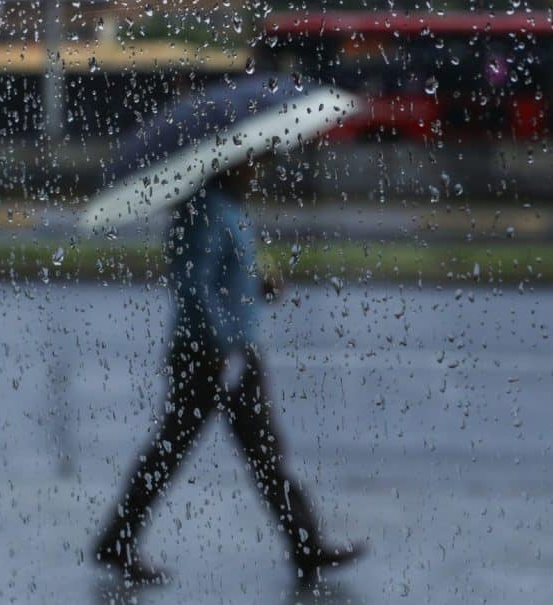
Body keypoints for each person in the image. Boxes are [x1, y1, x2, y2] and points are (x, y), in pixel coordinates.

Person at [92, 158, 363, 586]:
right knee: (185, 450)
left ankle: (306, 546)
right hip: (213, 355)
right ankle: (117, 541)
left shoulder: (227, 209)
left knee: (256, 453)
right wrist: (219, 345)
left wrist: (260, 287)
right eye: (249, 163)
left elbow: (224, 280)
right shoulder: (205, 211)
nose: (258, 170)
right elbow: (192, 285)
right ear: (228, 166)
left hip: (231, 352)